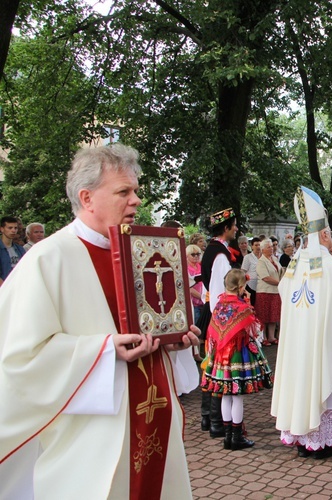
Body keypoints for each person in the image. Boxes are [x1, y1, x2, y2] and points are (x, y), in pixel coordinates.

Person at [0, 144, 199, 499]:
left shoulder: (143, 252)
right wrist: (104, 351)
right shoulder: (48, 259)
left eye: (136, 190)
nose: (136, 200)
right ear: (87, 197)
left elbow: (155, 325)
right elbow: (19, 360)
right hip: (90, 438)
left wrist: (174, 340)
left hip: (153, 416)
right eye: (124, 191)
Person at [272, 186, 332, 459]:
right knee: (329, 378)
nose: (331, 240)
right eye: (330, 235)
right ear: (324, 234)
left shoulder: (293, 267)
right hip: (325, 341)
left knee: (301, 380)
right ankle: (326, 441)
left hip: (298, 343)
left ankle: (304, 440)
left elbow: (283, 294)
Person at [201, 269, 272, 451]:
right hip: (239, 355)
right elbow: (255, 330)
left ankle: (227, 436)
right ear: (241, 287)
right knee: (237, 396)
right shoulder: (243, 308)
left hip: (220, 356)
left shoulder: (218, 305)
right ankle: (237, 436)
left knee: (225, 394)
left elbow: (214, 331)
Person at [199, 208, 240, 438]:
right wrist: (224, 323)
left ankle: (208, 417)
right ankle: (216, 421)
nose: (235, 228)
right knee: (217, 368)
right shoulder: (220, 256)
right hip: (218, 317)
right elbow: (219, 292)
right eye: (233, 225)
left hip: (211, 314)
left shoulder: (212, 250)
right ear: (226, 228)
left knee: (210, 366)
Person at [256, 239, 282, 345]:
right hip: (265, 291)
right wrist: (280, 283)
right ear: (263, 249)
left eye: (271, 246)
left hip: (275, 291)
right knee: (264, 315)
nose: (271, 248)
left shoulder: (275, 259)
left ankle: (271, 336)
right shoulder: (261, 261)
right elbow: (265, 277)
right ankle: (264, 337)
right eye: (268, 247)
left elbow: (280, 271)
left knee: (273, 315)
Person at [0, 216, 26, 285]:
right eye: (10, 228)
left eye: (15, 228)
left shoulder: (20, 249)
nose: (13, 230)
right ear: (2, 229)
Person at [186, 243, 205, 325]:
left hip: (203, 302)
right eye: (193, 254)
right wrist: (202, 297)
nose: (196, 256)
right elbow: (189, 289)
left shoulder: (201, 267)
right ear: (187, 255)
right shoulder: (186, 269)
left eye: (198, 254)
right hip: (193, 304)